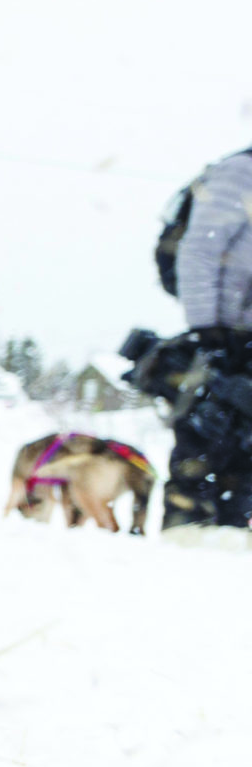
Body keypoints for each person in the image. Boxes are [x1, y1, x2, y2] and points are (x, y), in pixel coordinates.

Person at [147, 148, 252, 543]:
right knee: (206, 427)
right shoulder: (241, 173)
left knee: (245, 439)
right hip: (224, 330)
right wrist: (208, 328)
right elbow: (199, 251)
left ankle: (233, 529)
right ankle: (185, 530)